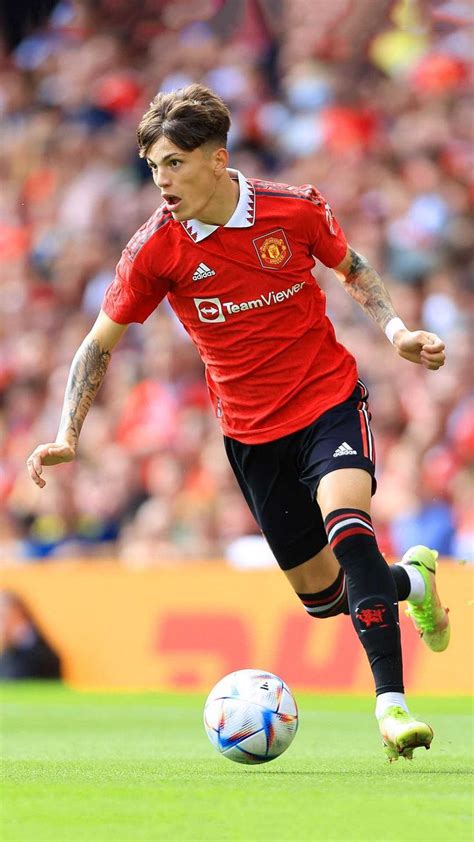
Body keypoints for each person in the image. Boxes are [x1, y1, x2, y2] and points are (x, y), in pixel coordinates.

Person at [27, 84, 450, 761]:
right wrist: (68, 433)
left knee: (350, 527)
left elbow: (352, 266)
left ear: (217, 160)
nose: (160, 181)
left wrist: (397, 330)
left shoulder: (293, 208)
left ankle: (391, 706)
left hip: (327, 400)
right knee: (323, 597)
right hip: (252, 434)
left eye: (173, 164)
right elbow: (98, 343)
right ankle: (412, 583)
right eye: (152, 166)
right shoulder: (156, 250)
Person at [0, 590, 62, 681]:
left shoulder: (35, 645)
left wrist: (20, 634)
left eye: (2, 617)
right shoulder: (8, 651)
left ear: (17, 613)